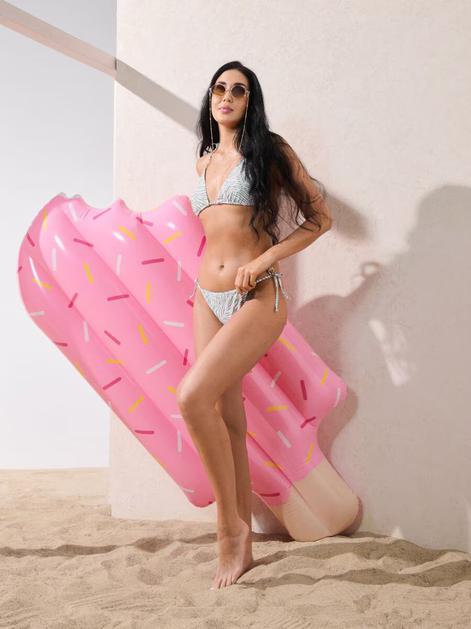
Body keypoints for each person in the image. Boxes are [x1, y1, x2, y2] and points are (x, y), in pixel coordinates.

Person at [176, 60, 333, 590]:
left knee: (191, 397)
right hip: (206, 297)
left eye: (238, 90)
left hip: (258, 296)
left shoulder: (270, 151)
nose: (226, 96)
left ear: (250, 102)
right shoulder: (203, 161)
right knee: (225, 416)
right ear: (211, 98)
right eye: (219, 88)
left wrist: (266, 259)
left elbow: (321, 219)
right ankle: (242, 539)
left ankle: (229, 532)